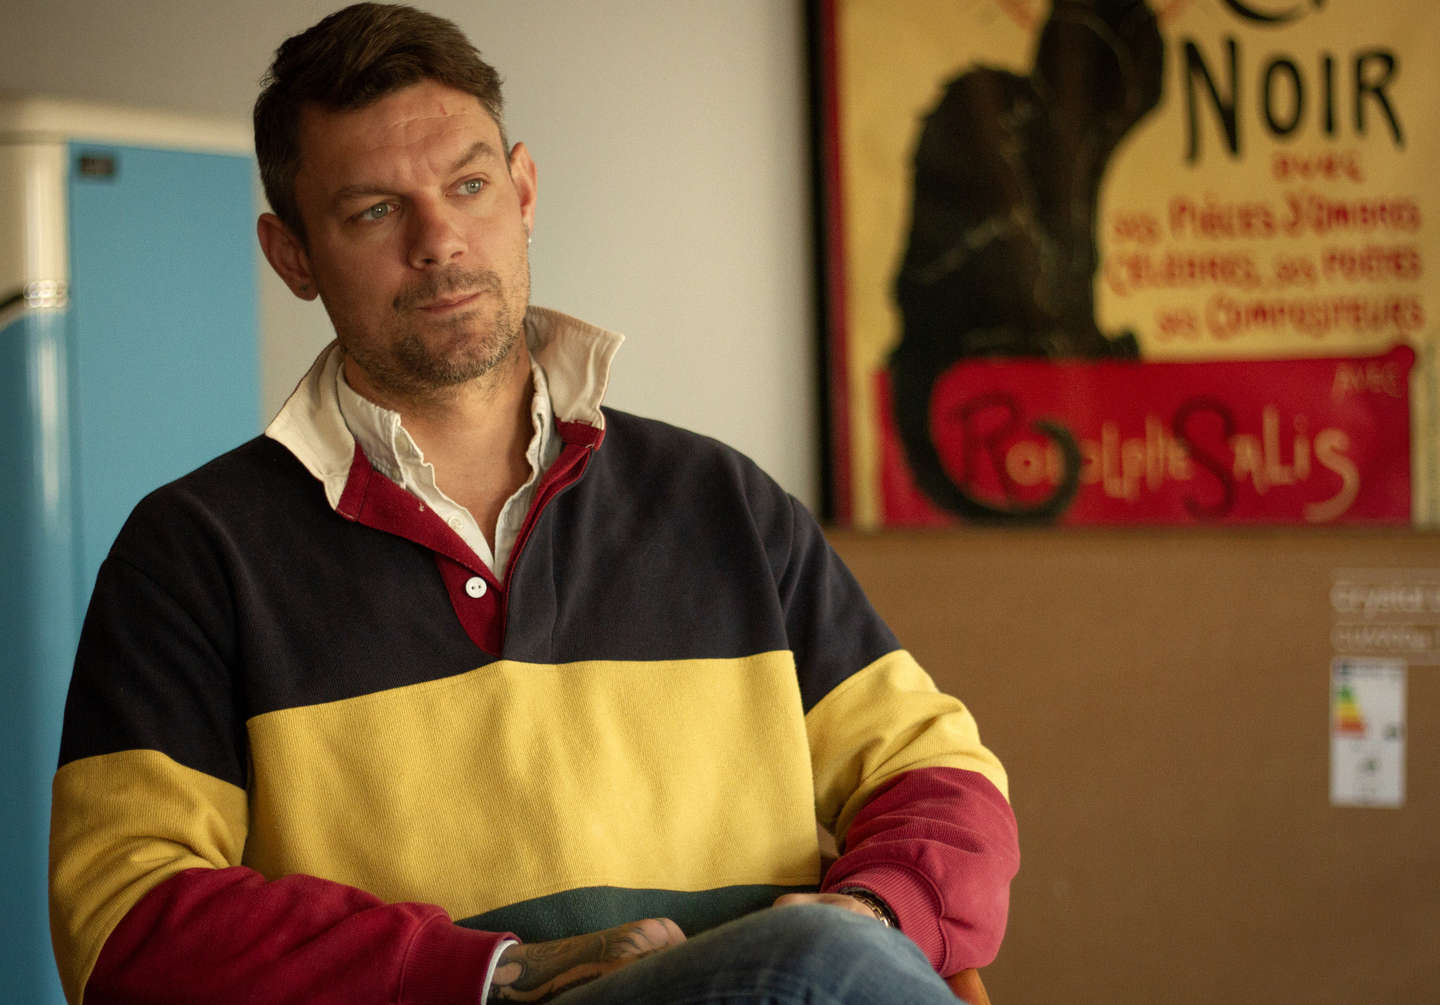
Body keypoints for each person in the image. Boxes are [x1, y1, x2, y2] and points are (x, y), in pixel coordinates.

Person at [48, 5, 1019, 1003]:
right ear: (292, 254)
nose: (439, 240)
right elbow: (125, 915)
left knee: (824, 957)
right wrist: (500, 975)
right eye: (374, 210)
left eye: (468, 187)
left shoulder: (720, 500)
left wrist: (873, 914)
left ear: (522, 192)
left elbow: (939, 778)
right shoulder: (195, 552)